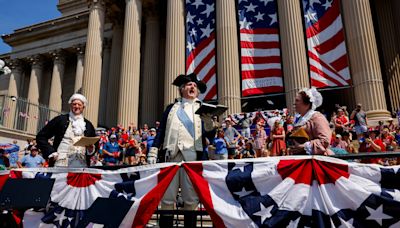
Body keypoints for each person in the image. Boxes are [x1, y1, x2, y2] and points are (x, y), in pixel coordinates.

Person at [147, 73, 217, 228]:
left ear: (198, 92)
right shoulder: (171, 108)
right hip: (170, 156)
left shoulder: (203, 108)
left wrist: (209, 123)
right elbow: (162, 131)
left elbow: (211, 136)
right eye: (189, 85)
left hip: (193, 157)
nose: (192, 87)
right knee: (167, 197)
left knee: (191, 198)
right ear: (182, 89)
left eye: (195, 86)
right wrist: (153, 150)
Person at [36, 94, 96, 167]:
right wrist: (51, 152)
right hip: (61, 162)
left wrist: (90, 150)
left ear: (83, 107)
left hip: (82, 164)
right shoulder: (60, 120)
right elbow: (41, 136)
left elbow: (94, 144)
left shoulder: (89, 125)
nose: (77, 106)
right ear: (70, 106)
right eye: (74, 104)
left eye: (79, 104)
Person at [288, 87, 333, 155]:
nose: (294, 103)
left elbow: (325, 140)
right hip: (300, 157)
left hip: (315, 159)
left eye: (297, 100)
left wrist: (304, 146)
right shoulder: (299, 119)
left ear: (307, 104)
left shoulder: (317, 117)